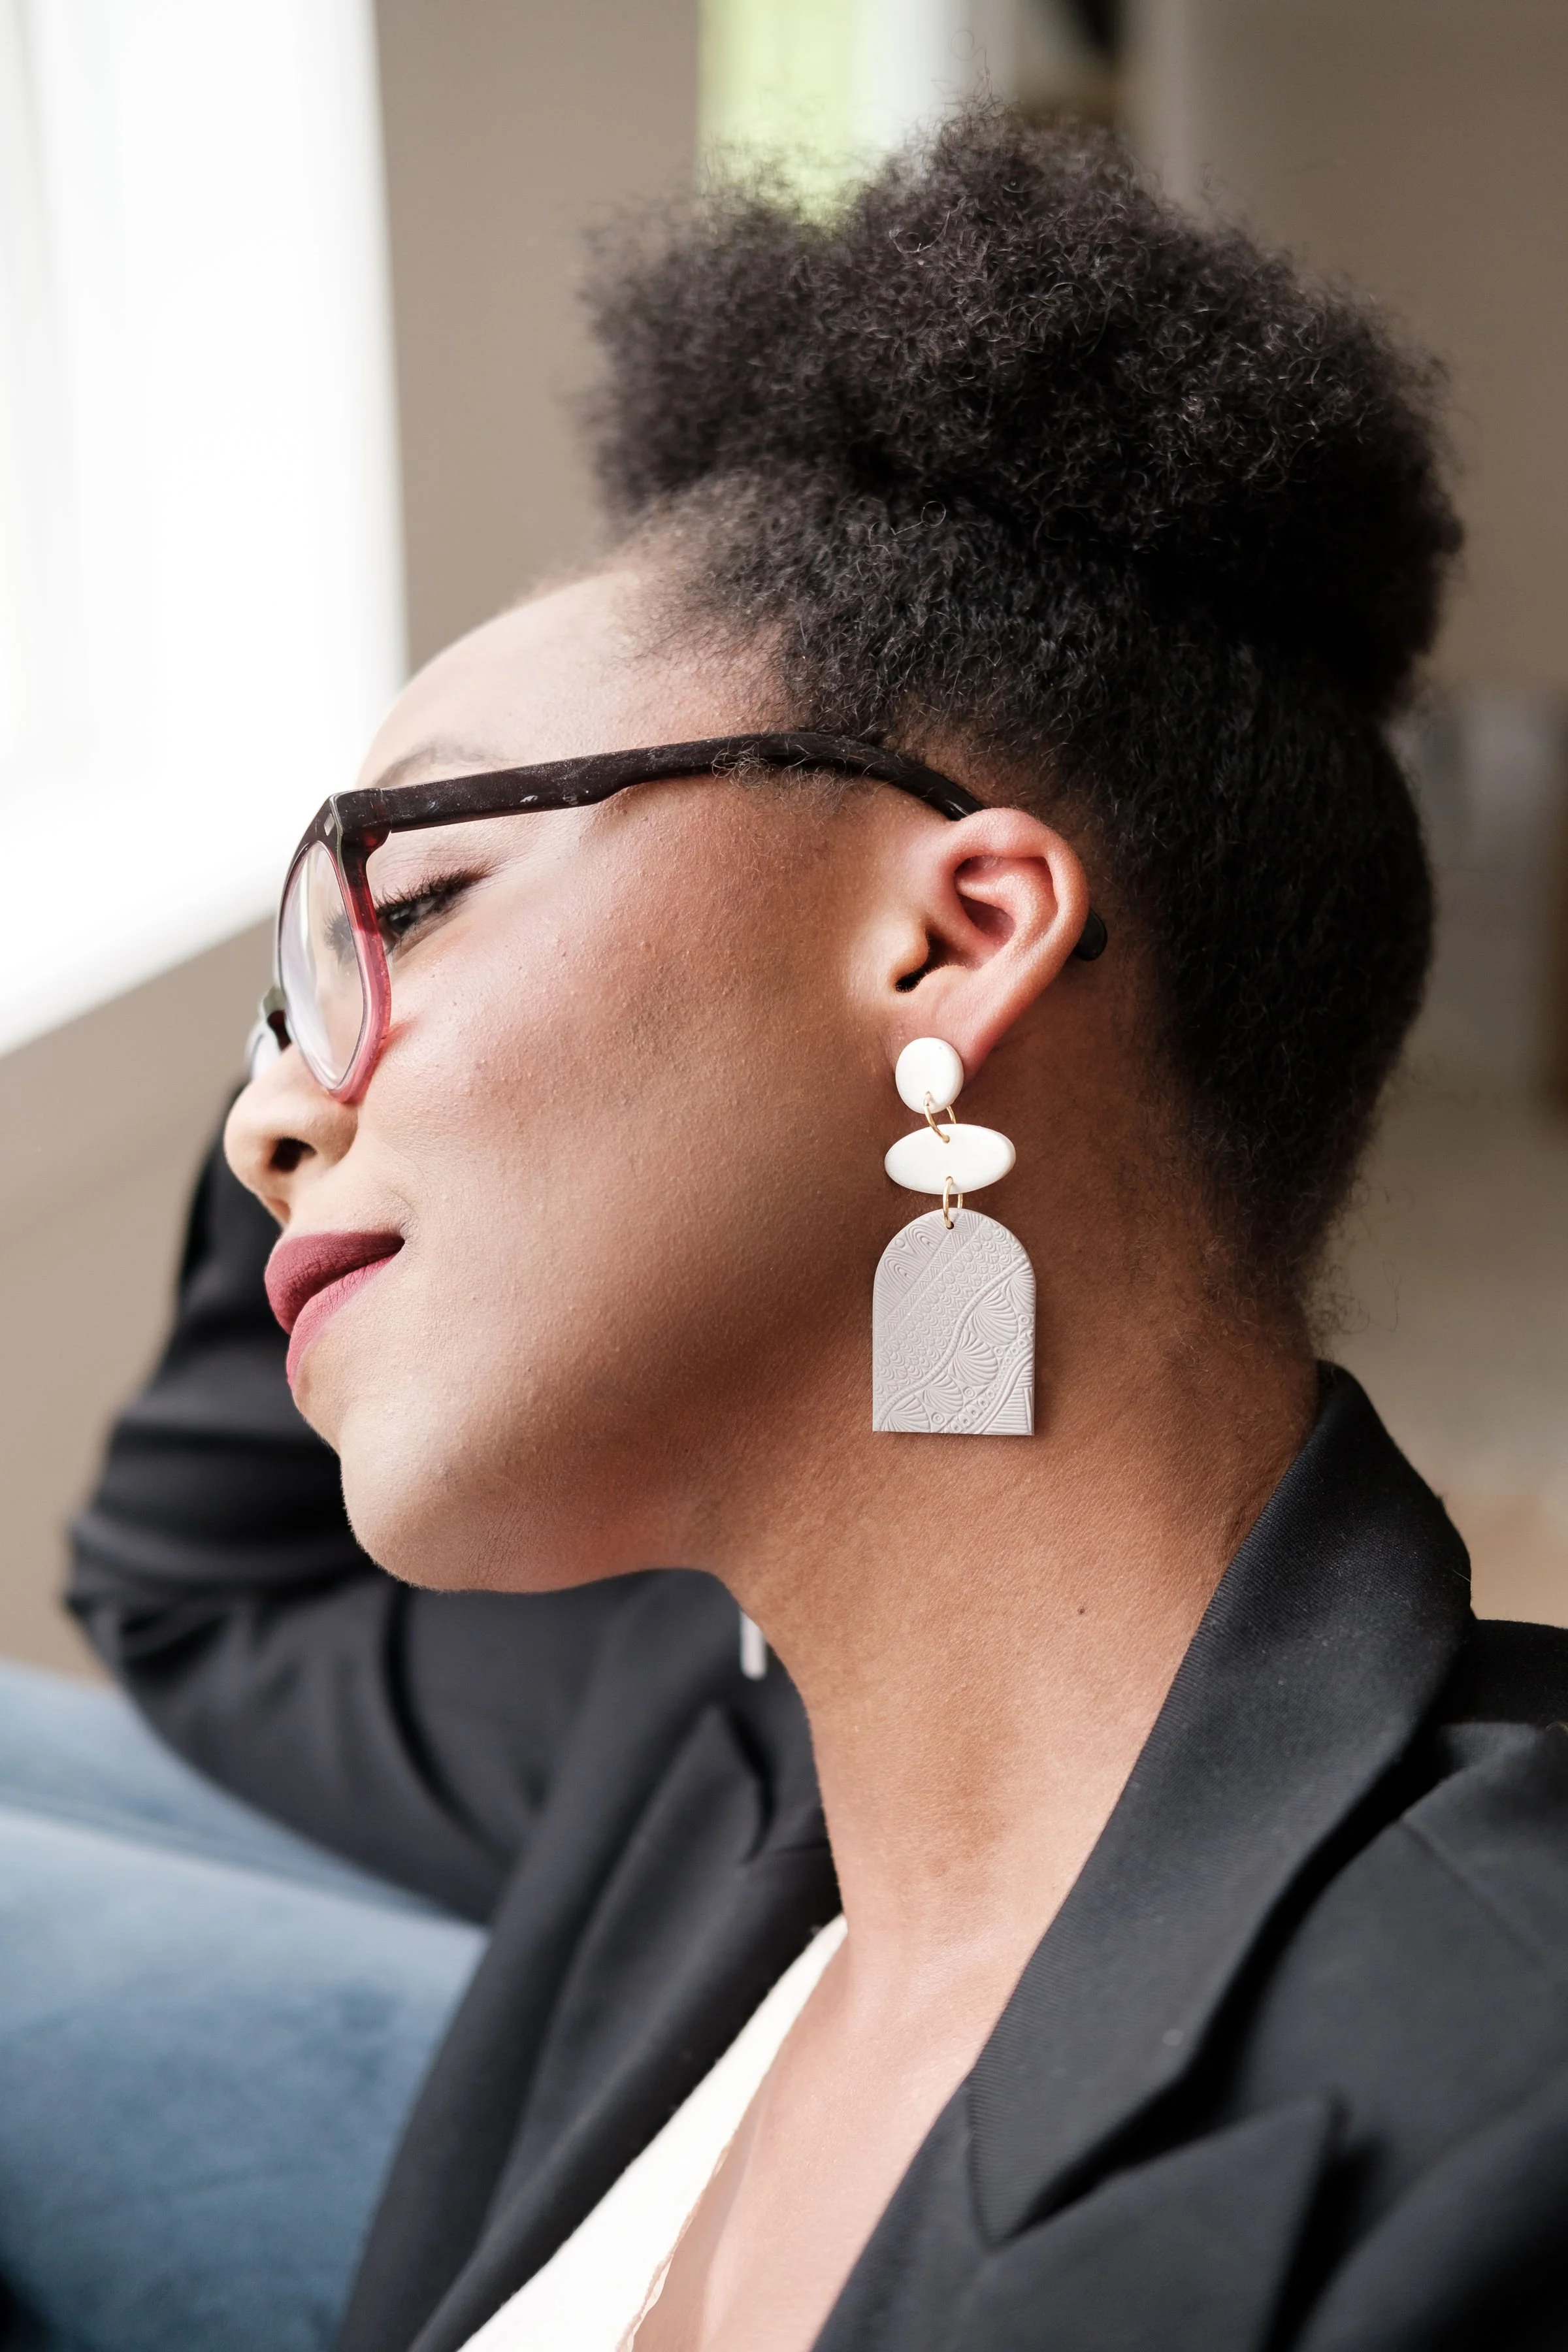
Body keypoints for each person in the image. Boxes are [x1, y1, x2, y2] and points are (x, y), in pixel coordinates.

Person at [53, 112, 1568, 2352]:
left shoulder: (1502, 2123)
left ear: (956, 937)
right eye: (294, 991)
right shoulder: (713, 1729)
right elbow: (186, 1587)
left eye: (418, 898)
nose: (274, 1112)